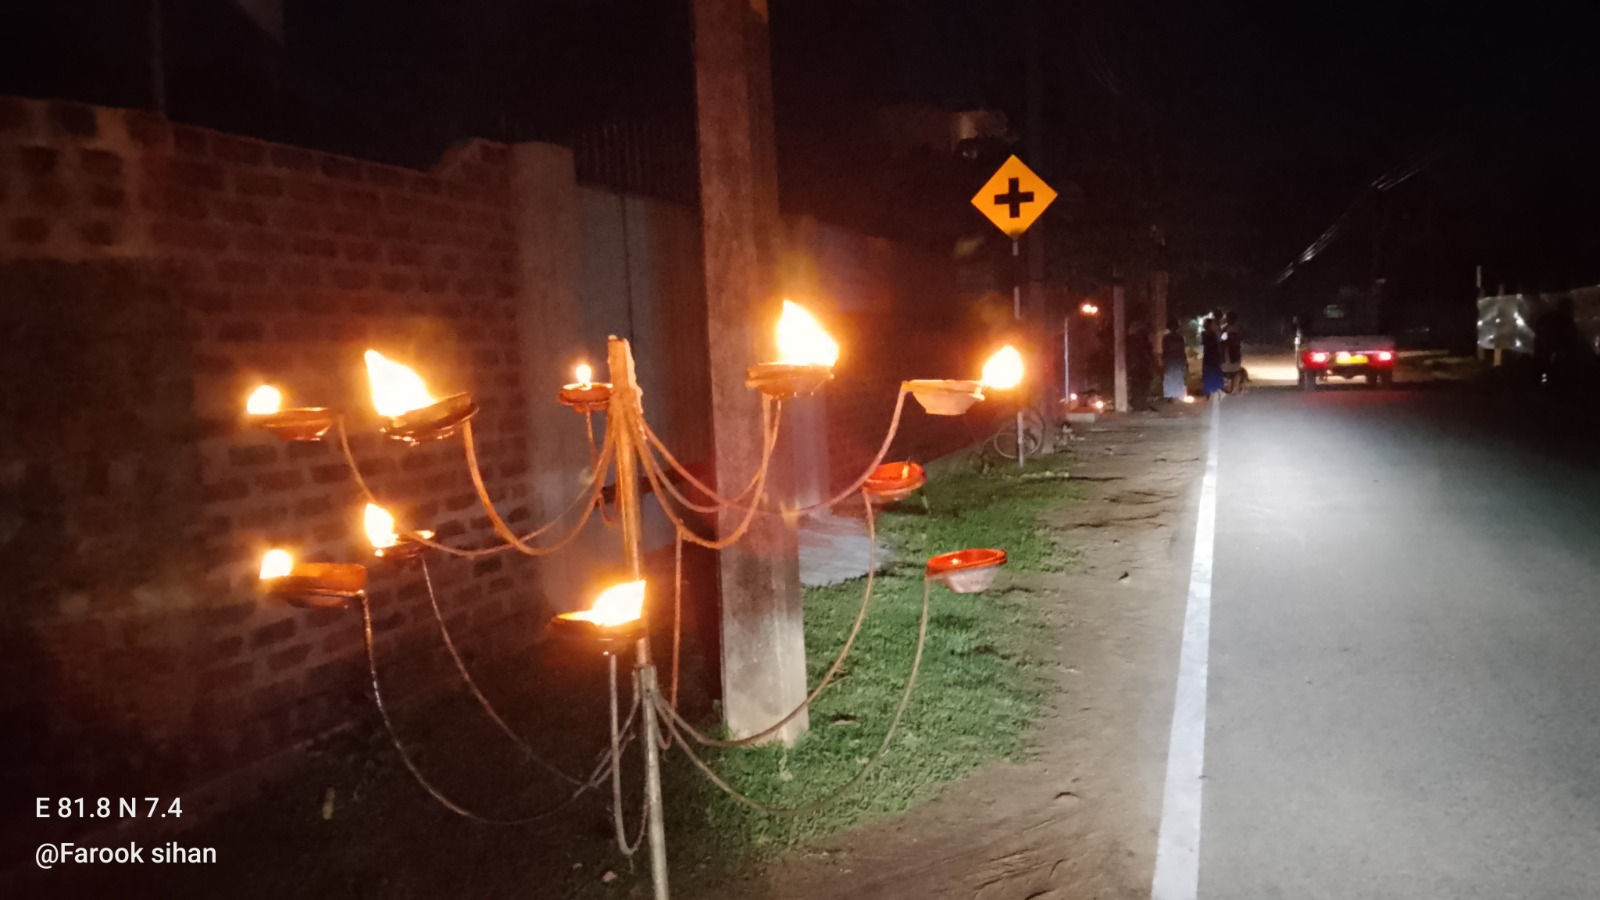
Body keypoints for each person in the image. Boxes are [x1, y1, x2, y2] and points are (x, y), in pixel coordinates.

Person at [1162, 318, 1188, 400]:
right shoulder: (1167, 338)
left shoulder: (1179, 338)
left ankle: (1176, 395)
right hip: (1171, 360)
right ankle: (1171, 396)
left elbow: (1182, 349)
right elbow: (1165, 350)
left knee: (1177, 377)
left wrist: (1184, 360)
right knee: (1171, 377)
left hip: (1176, 360)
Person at [1221, 310, 1244, 391]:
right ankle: (1233, 388)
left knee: (1232, 370)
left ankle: (1230, 387)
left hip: (1230, 353)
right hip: (1231, 353)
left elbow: (1222, 340)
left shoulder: (1225, 329)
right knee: (1234, 370)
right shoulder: (1237, 329)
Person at [1201, 317, 1224, 397]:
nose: (1207, 326)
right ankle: (1210, 390)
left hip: (1213, 355)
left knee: (1214, 371)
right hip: (1208, 354)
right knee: (1208, 372)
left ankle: (1215, 388)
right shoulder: (1205, 334)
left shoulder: (1214, 334)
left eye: (1208, 325)